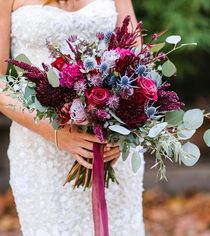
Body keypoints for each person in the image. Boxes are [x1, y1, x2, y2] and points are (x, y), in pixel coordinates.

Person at [0, 0, 145, 235]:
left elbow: (136, 58)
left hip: (111, 144)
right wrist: (54, 132)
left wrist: (124, 130)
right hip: (41, 148)